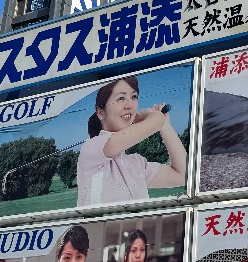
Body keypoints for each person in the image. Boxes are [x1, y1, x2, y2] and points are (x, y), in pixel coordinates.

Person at [76, 76, 186, 206]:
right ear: (100, 113)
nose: (129, 105)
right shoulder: (91, 148)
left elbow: (182, 174)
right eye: (121, 98)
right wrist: (151, 117)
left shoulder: (137, 163)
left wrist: (165, 125)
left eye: (134, 97)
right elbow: (155, 122)